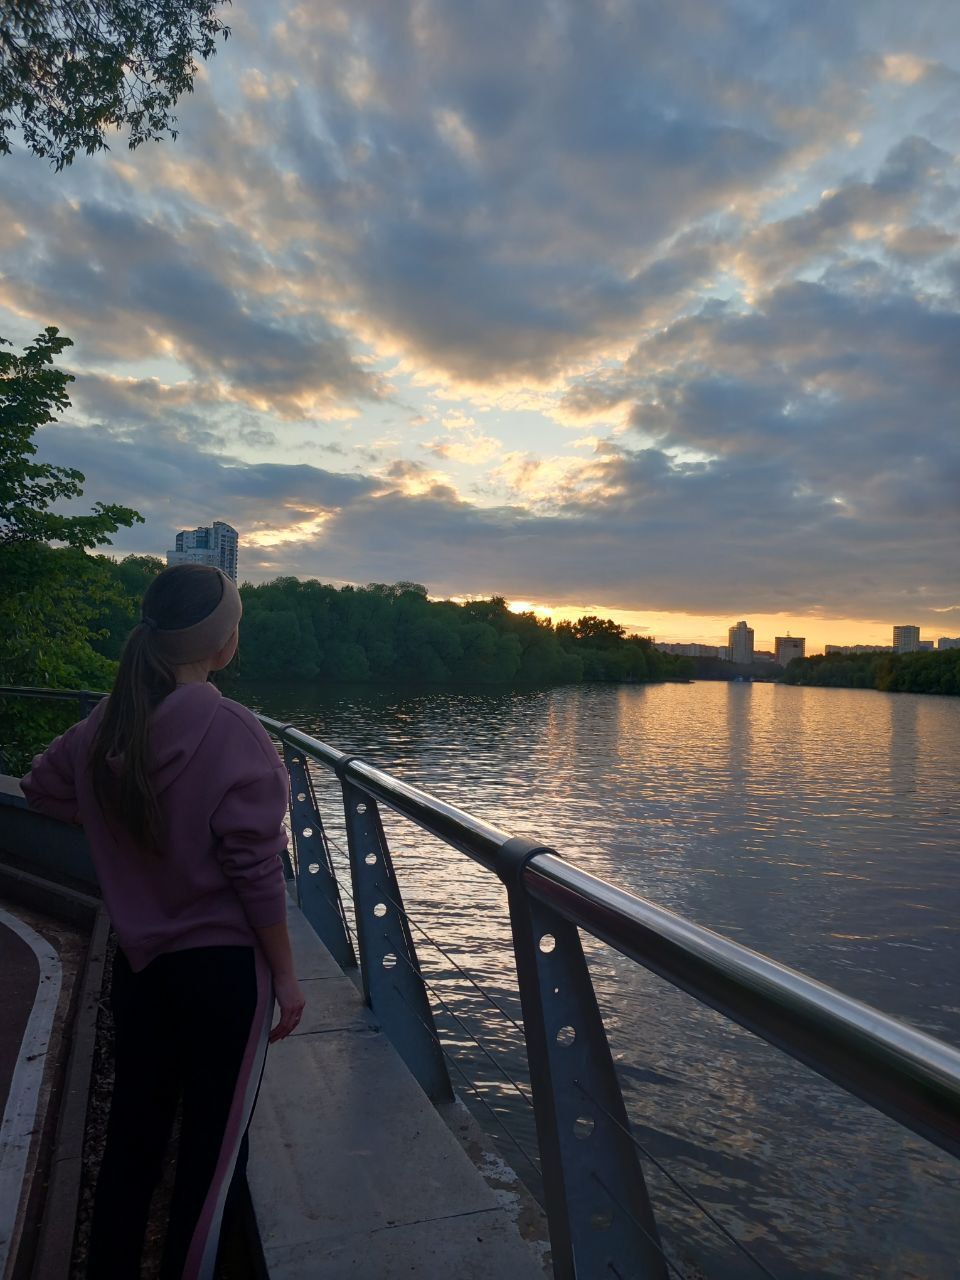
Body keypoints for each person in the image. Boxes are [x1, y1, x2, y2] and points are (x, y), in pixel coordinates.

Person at [21, 563, 306, 1279]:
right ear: (222, 643)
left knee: (133, 1136)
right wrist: (288, 975)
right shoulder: (237, 732)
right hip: (223, 975)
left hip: (139, 964)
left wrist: (119, 833)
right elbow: (256, 870)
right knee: (212, 1159)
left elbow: (41, 789)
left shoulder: (105, 726)